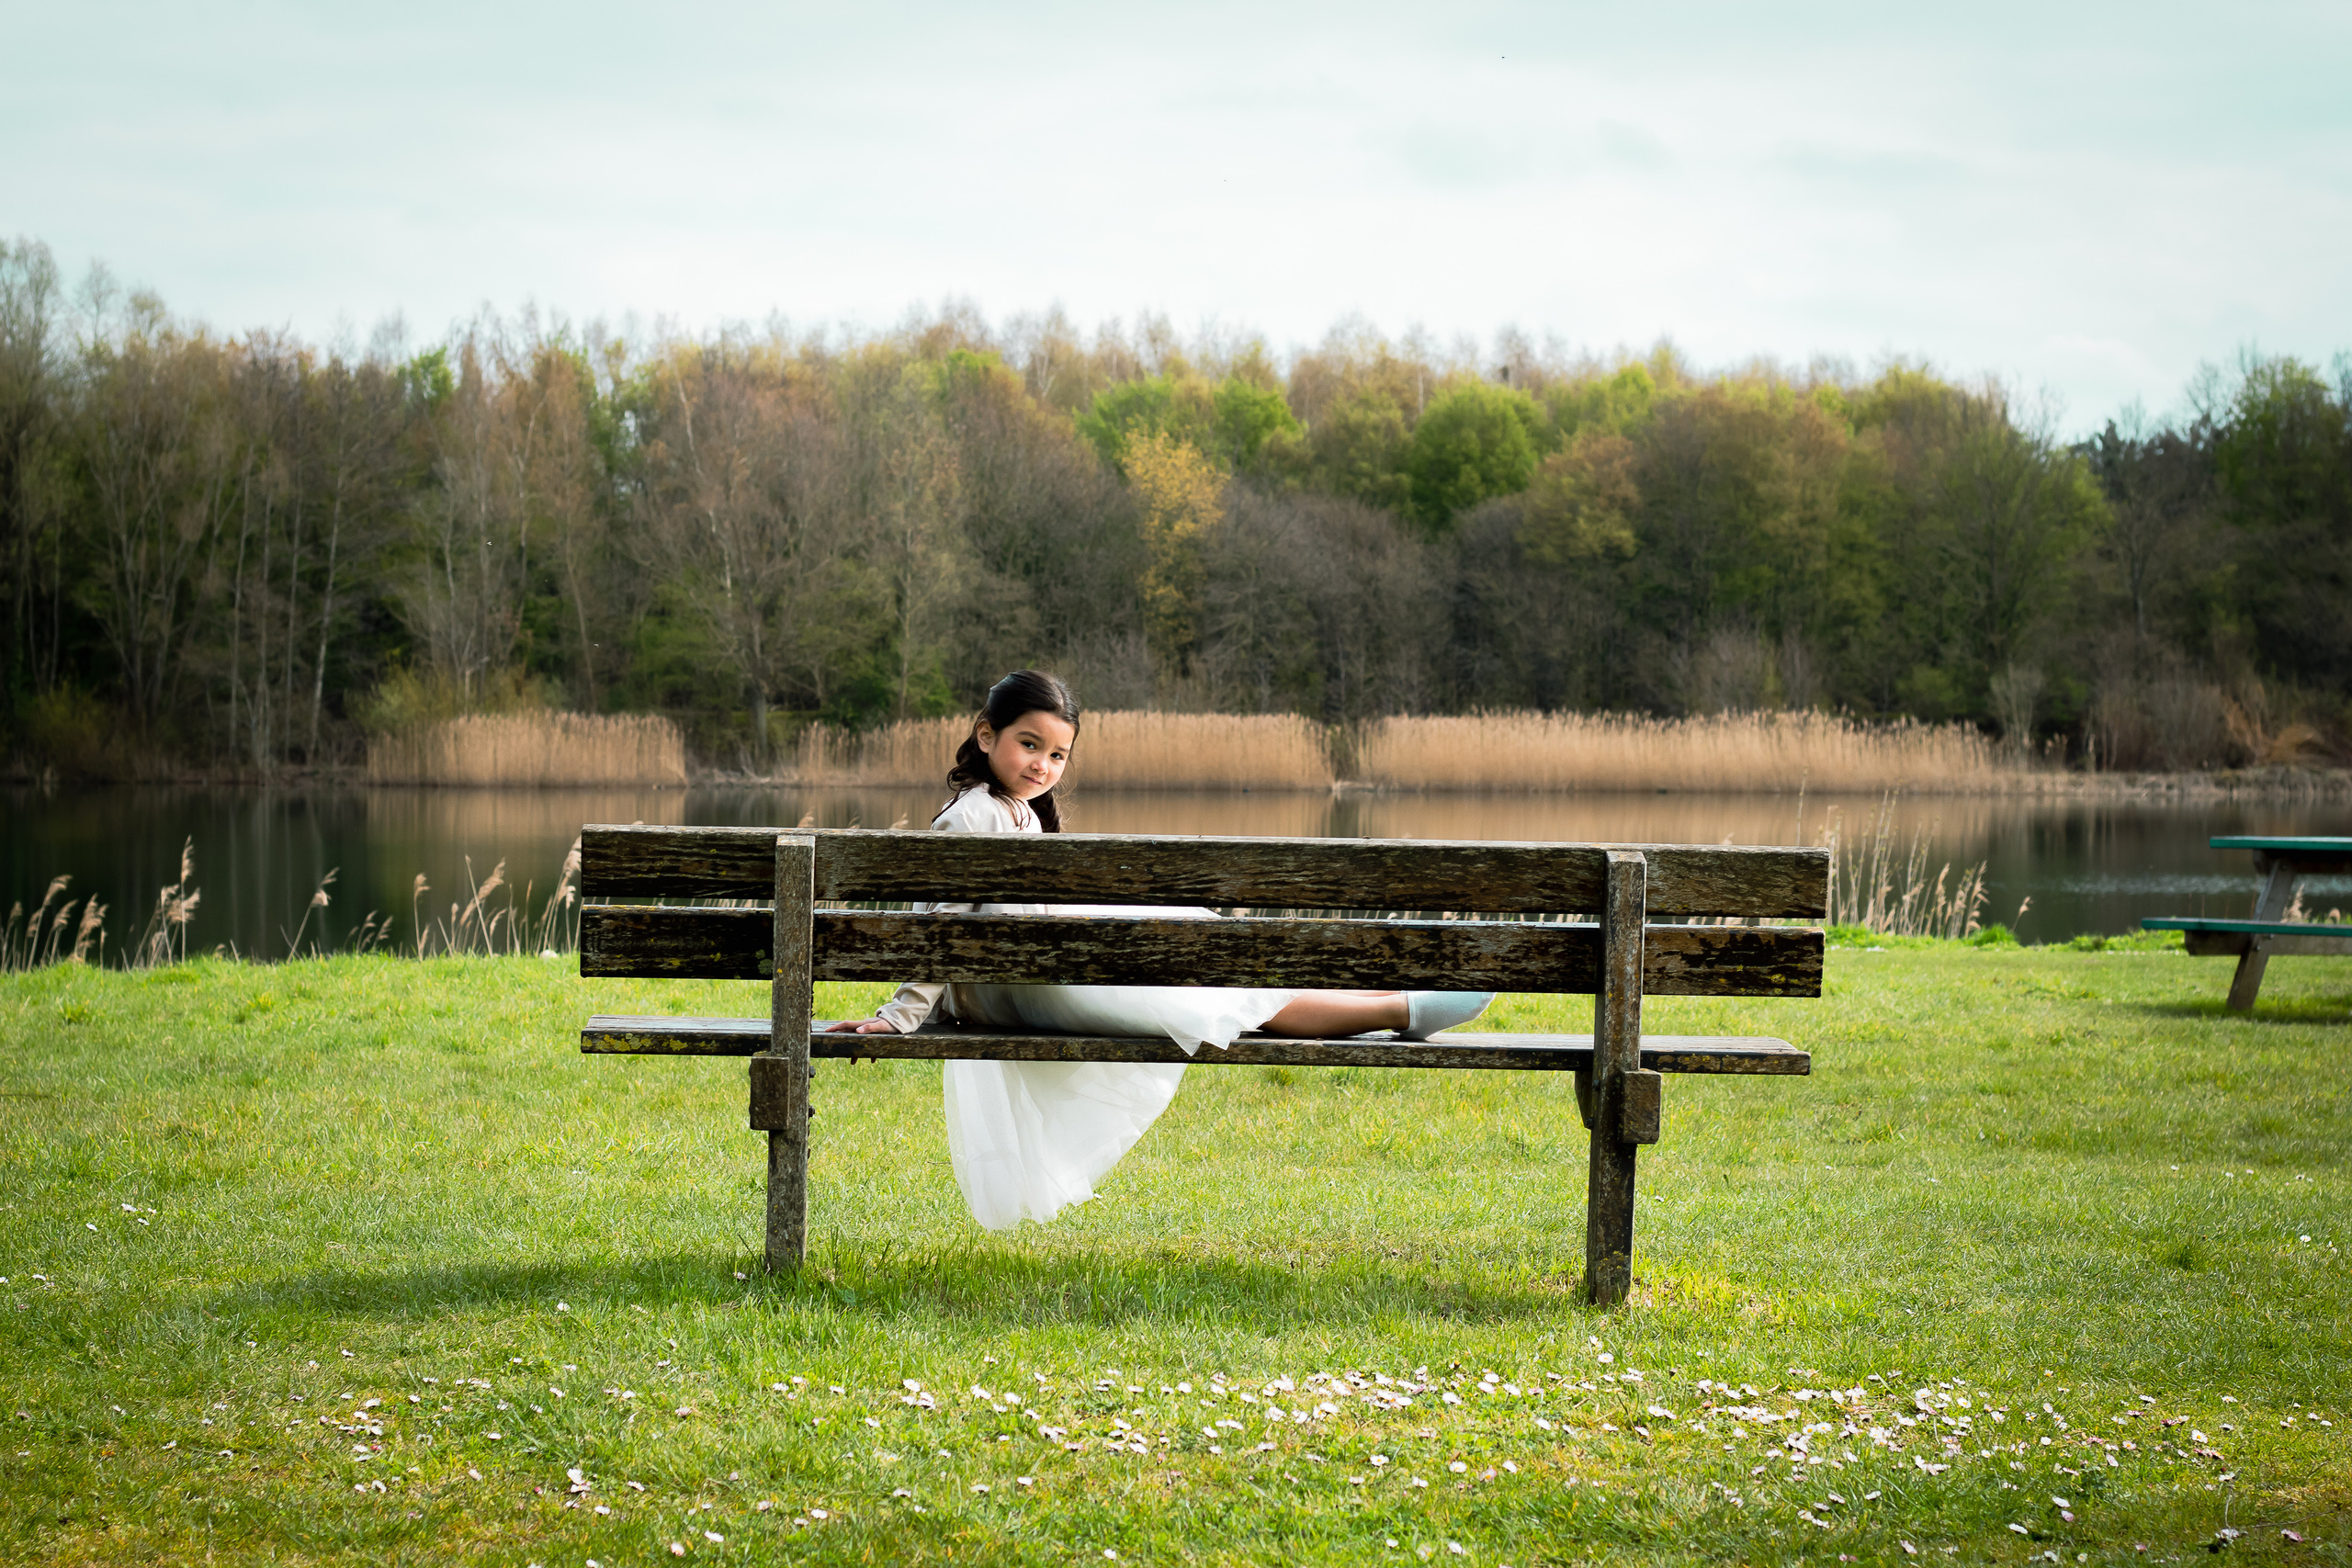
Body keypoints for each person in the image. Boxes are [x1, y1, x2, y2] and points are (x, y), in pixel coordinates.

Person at [824, 671, 1493, 1230]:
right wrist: (901, 1016)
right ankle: (1396, 1007)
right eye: (1030, 744)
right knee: (1212, 992)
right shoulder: (973, 814)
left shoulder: (1015, 811)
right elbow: (937, 928)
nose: (1043, 765)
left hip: (1036, 970)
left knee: (1196, 944)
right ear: (986, 734)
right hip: (1024, 980)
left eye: (1057, 755)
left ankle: (1394, 1001)